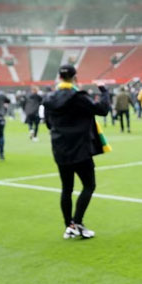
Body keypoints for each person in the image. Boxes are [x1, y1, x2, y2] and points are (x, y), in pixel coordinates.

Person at [43, 65, 111, 239]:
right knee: (89, 185)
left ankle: (69, 225)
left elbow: (49, 124)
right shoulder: (79, 97)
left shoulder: (50, 98)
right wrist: (104, 91)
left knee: (67, 188)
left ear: (59, 77)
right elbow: (102, 110)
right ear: (75, 77)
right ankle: (77, 222)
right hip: (80, 147)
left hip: (60, 148)